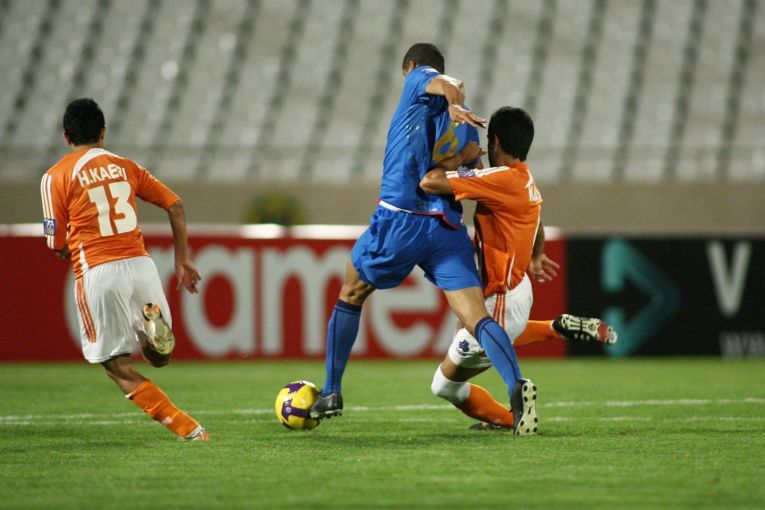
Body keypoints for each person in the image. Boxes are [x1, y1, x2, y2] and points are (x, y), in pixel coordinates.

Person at [310, 43, 538, 436]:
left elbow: (448, 83)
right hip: (446, 229)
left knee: (351, 291)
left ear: (412, 67)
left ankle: (331, 391)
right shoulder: (467, 124)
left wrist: (451, 98)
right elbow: (473, 171)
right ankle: (516, 385)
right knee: (476, 317)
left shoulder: (420, 80)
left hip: (400, 218)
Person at [420, 106, 617, 432]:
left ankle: (512, 413)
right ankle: (556, 328)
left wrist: (460, 159)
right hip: (518, 289)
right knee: (469, 328)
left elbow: (430, 183)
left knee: (445, 385)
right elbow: (537, 217)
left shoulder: (501, 179)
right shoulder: (524, 178)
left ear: (495, 141)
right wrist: (537, 254)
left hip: (500, 299)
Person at [40, 98, 208, 441]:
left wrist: (68, 245)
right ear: (103, 133)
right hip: (141, 265)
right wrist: (182, 259)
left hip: (99, 270)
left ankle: (189, 429)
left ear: (66, 137)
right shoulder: (125, 166)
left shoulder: (55, 176)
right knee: (159, 356)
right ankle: (149, 327)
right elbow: (175, 204)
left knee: (116, 365)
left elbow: (56, 243)